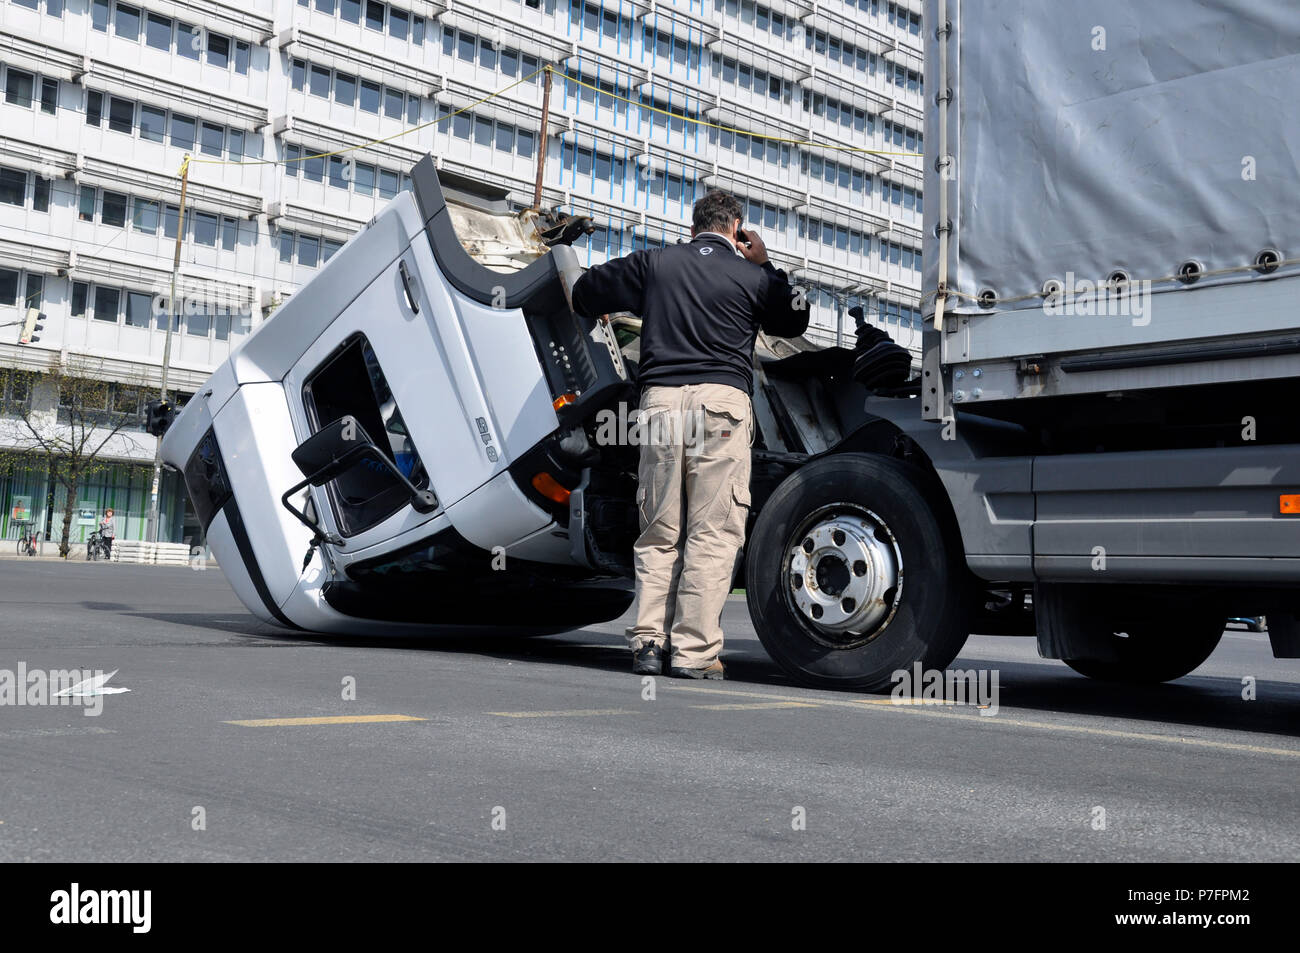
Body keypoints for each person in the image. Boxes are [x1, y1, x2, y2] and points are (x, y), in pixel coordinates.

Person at [570, 190, 809, 679]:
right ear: (737, 227)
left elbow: (585, 291)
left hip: (659, 405)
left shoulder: (655, 263)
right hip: (720, 407)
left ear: (693, 224)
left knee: (658, 529)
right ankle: (694, 654)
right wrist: (766, 265)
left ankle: (648, 646)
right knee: (713, 533)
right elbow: (797, 316)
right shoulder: (752, 276)